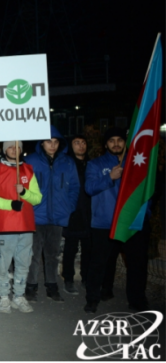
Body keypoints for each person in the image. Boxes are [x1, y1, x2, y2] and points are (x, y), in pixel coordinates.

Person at [84, 128, 150, 313]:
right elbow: (89, 188)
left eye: (120, 140)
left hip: (132, 223)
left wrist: (146, 212)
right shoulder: (96, 164)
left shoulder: (138, 163)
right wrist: (109, 178)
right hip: (105, 223)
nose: (116, 143)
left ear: (125, 142)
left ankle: (137, 301)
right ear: (106, 144)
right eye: (111, 140)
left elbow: (148, 189)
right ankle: (92, 299)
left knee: (137, 264)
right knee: (98, 263)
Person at [0, 141, 42, 314]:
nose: (14, 150)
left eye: (17, 147)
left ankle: (19, 295)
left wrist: (24, 193)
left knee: (24, 263)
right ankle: (3, 296)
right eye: (10, 146)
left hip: (26, 226)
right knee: (2, 264)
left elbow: (37, 198)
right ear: (4, 149)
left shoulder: (28, 171)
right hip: (5, 226)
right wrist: (10, 204)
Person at [24, 126, 80, 303]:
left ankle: (52, 286)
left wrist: (68, 207)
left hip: (57, 217)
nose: (53, 145)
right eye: (49, 141)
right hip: (35, 216)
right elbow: (23, 187)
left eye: (56, 142)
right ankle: (31, 286)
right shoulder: (31, 161)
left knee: (53, 254)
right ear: (42, 143)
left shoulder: (68, 162)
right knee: (33, 254)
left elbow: (75, 188)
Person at [62, 135, 92, 295]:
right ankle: (68, 278)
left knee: (89, 248)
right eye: (77, 143)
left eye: (83, 142)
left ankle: (86, 278)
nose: (81, 146)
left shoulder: (92, 164)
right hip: (73, 211)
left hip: (90, 212)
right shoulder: (67, 164)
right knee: (71, 248)